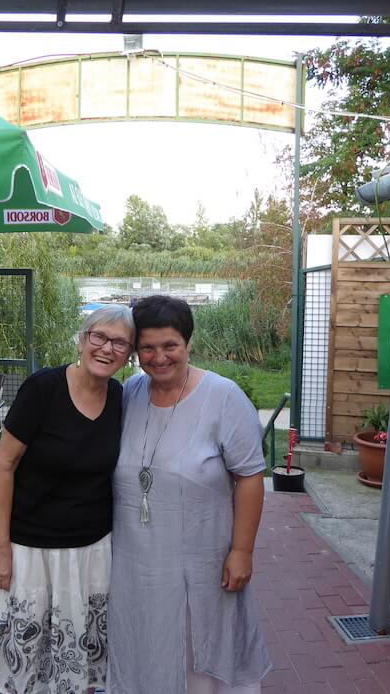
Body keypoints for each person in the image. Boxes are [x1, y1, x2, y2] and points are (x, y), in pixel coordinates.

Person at [108, 295, 270, 694]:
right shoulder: (129, 393)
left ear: (188, 344)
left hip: (202, 562)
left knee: (198, 654)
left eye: (170, 346)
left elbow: (250, 477)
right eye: (147, 347)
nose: (159, 357)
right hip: (135, 565)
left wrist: (242, 551)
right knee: (143, 648)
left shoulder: (223, 397)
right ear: (135, 351)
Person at [0, 304, 135, 694]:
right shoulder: (43, 388)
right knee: (21, 661)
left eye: (119, 342)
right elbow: (4, 465)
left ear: (129, 355)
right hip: (29, 551)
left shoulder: (118, 397)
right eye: (98, 336)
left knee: (79, 660)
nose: (107, 348)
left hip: (91, 553)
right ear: (81, 340)